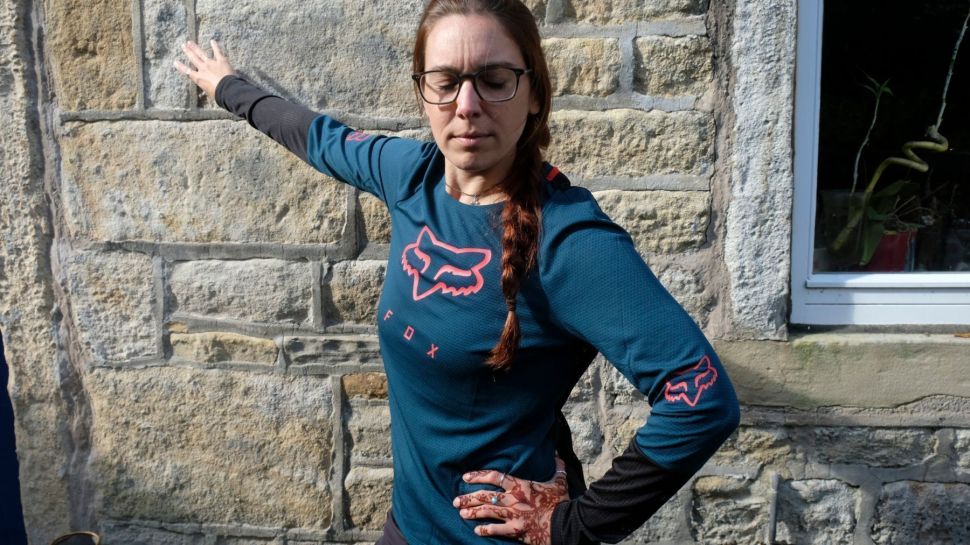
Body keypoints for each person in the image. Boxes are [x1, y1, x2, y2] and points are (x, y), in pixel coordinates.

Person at [174, 1, 740, 543]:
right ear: (423, 93)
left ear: (534, 95)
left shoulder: (569, 242)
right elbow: (318, 137)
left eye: (494, 80)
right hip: (407, 528)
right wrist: (229, 87)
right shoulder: (409, 176)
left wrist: (573, 527)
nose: (467, 105)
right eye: (445, 82)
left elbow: (701, 401)